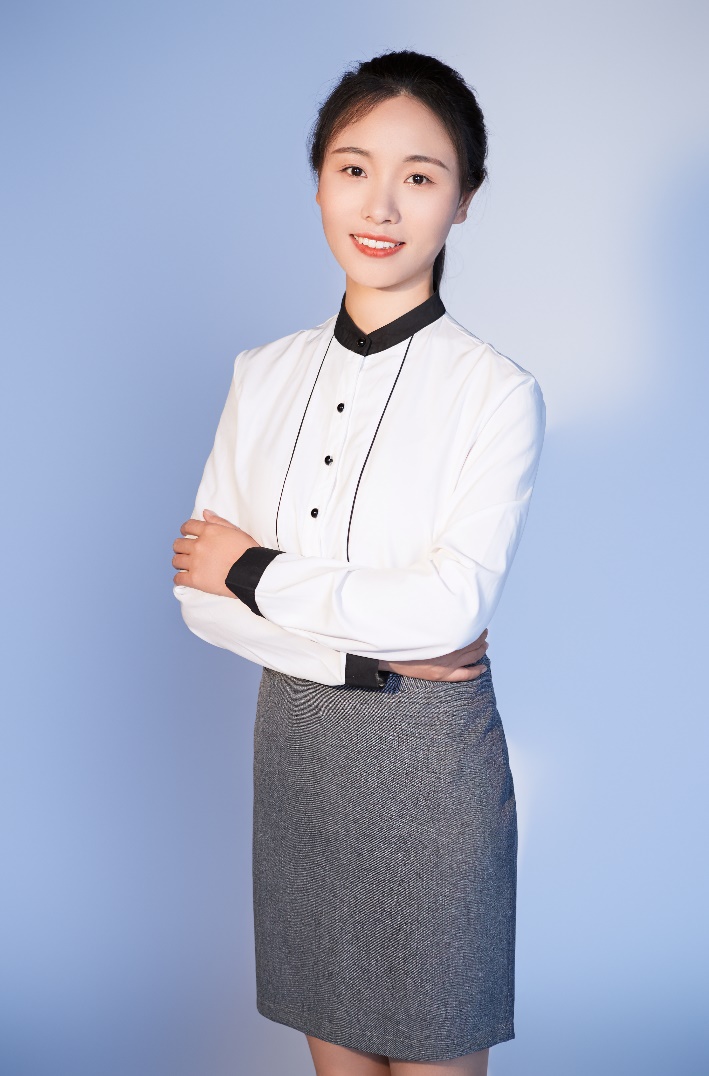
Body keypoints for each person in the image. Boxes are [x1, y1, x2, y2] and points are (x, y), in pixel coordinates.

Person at [171, 49, 545, 1076]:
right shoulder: (261, 375)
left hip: (432, 768)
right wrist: (361, 649)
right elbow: (198, 599)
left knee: (435, 1049)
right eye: (352, 168)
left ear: (462, 199)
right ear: (319, 181)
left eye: (419, 176)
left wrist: (252, 569)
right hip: (298, 755)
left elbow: (449, 605)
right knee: (333, 1055)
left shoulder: (494, 393)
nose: (379, 205)